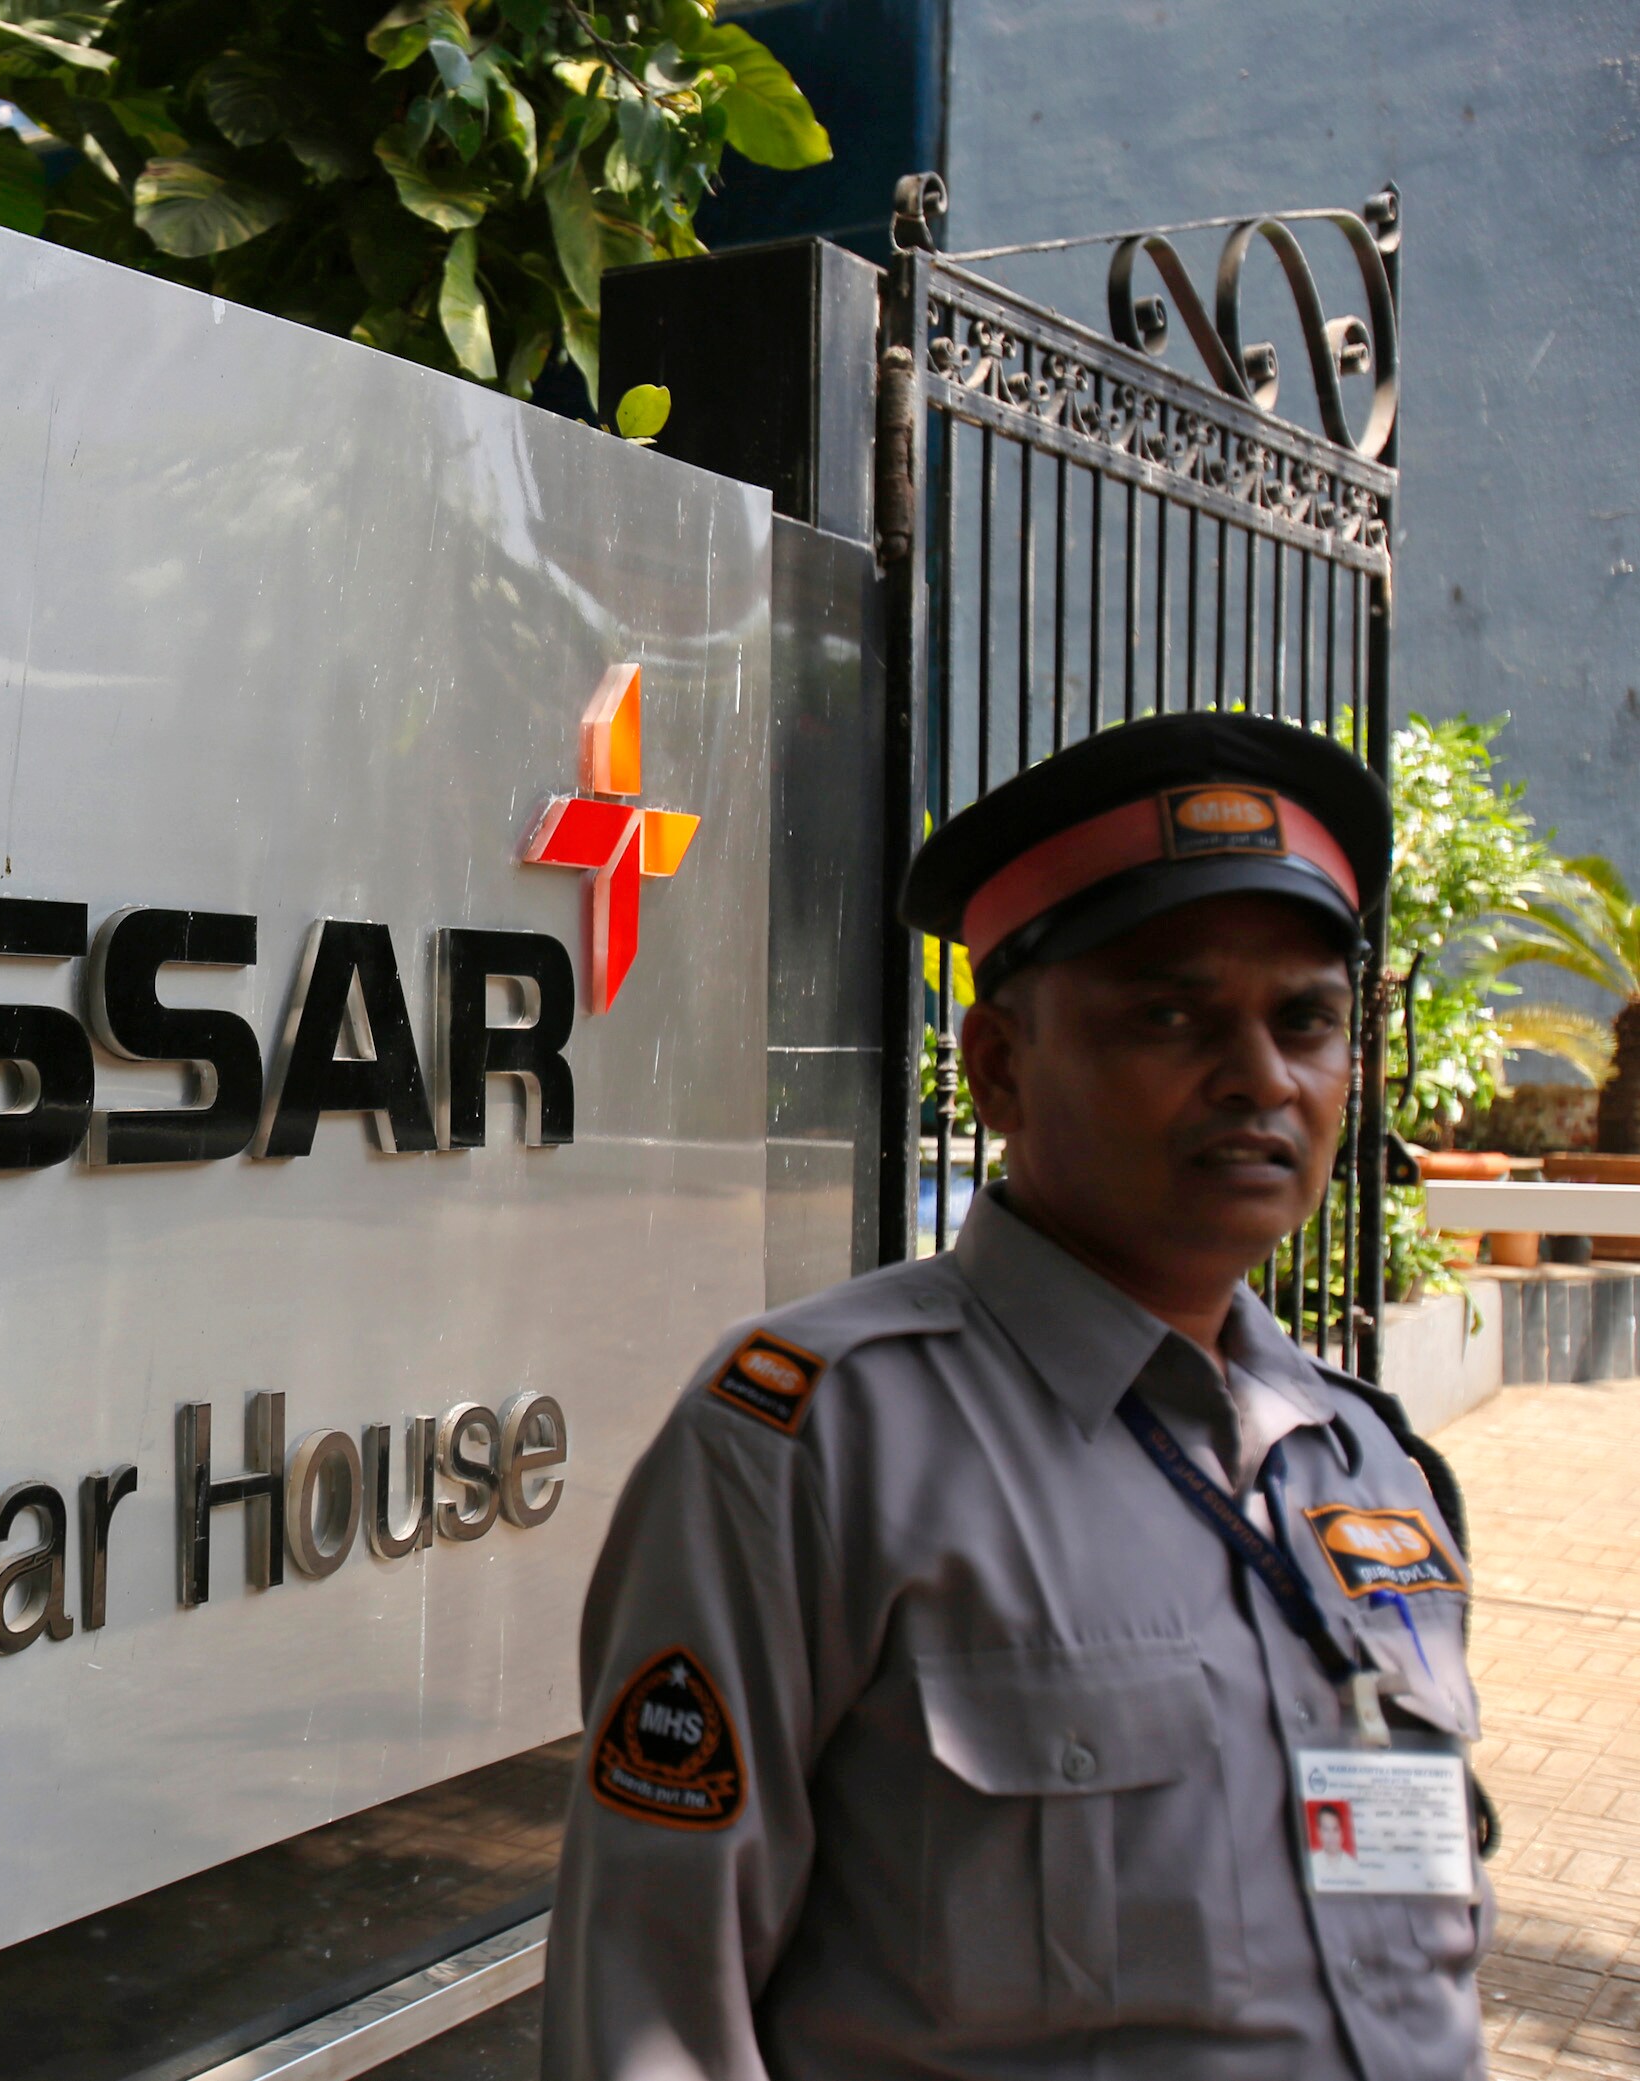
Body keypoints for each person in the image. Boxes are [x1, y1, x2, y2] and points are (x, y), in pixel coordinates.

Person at [546, 712, 1488, 2080]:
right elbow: (654, 2011)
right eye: (1170, 1016)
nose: (1262, 1077)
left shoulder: (1367, 1462)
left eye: (1307, 1021)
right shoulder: (812, 1444)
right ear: (998, 1067)